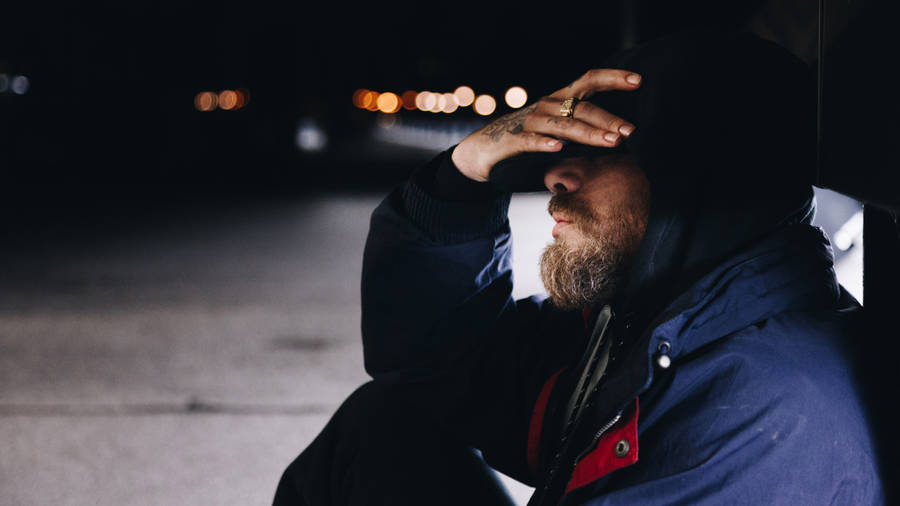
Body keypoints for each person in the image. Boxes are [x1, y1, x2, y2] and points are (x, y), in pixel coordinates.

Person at [274, 28, 884, 505]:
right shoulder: (655, 323)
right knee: (382, 430)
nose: (555, 175)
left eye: (606, 150)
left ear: (695, 179)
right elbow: (432, 364)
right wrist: (461, 174)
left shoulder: (764, 410)